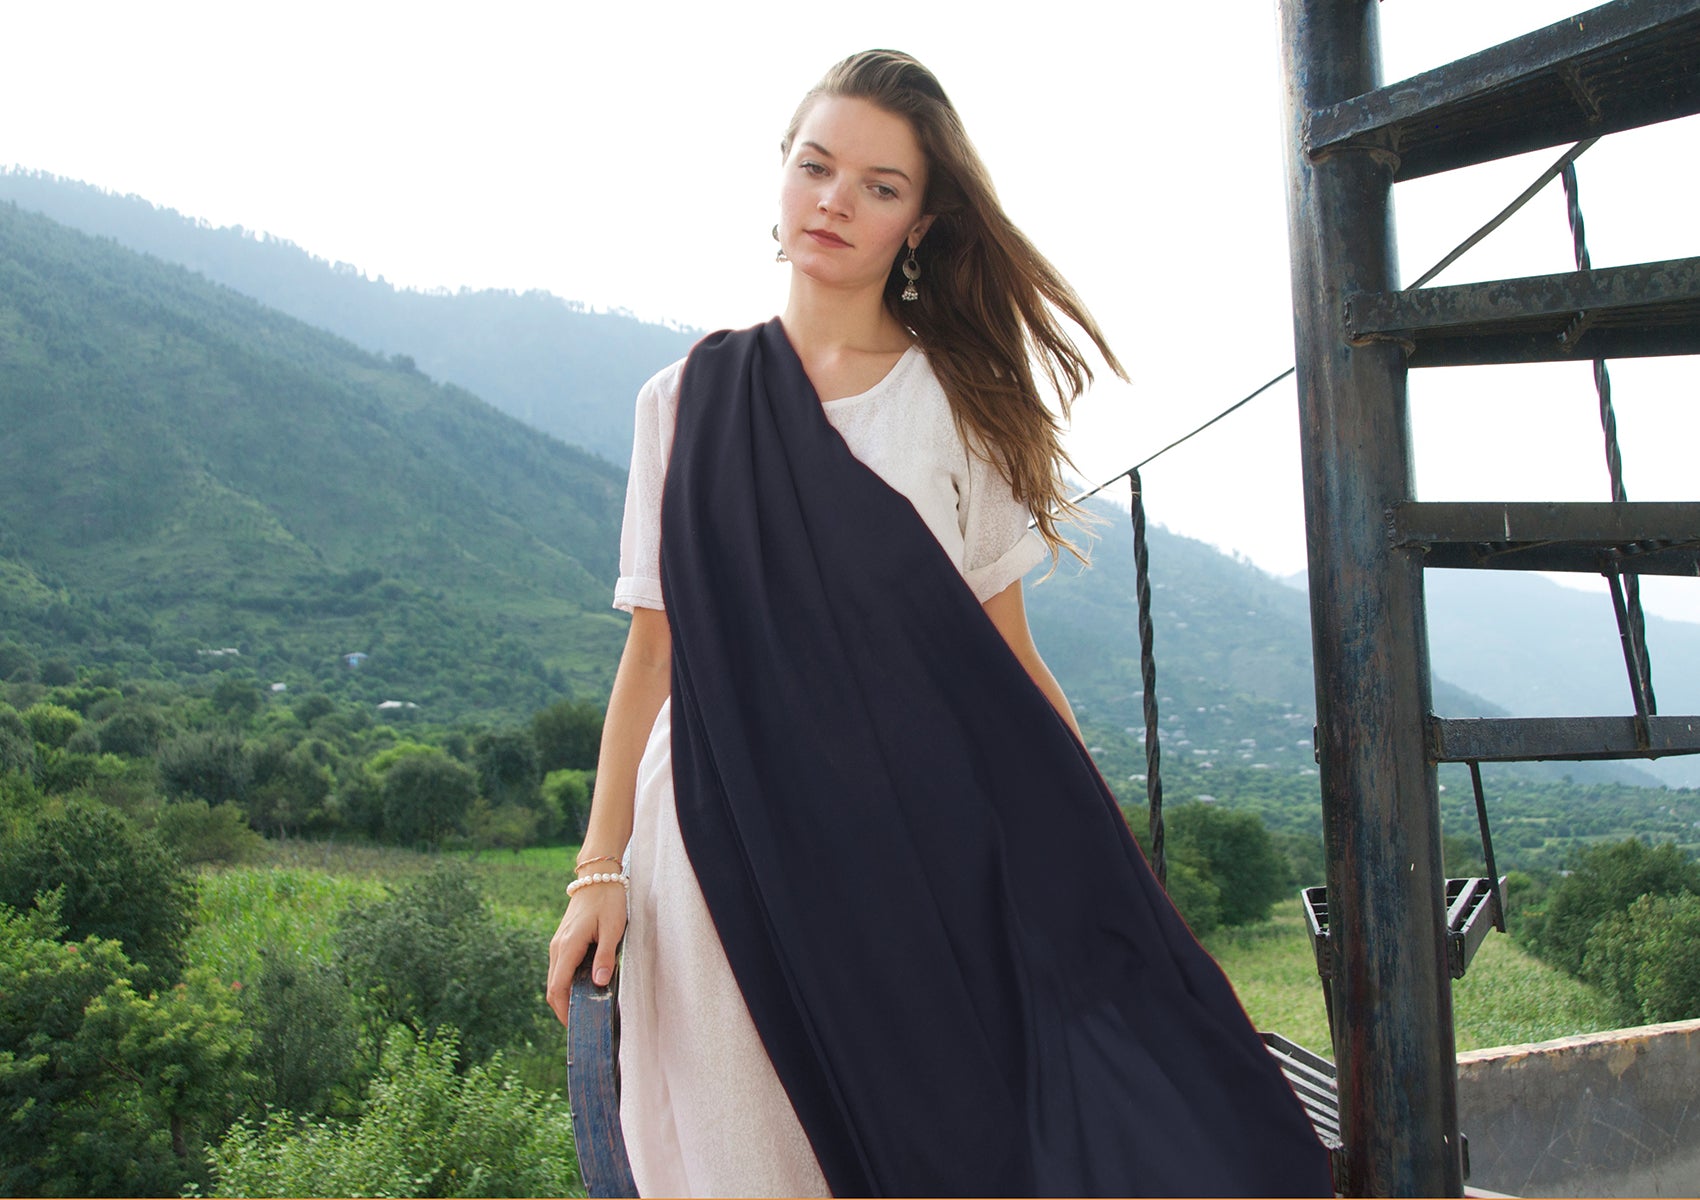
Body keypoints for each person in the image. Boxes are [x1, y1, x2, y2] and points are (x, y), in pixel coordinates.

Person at [546, 49, 1332, 1198]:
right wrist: (596, 866)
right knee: (730, 1152)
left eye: (878, 185)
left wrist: (1103, 855)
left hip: (904, 852)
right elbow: (651, 653)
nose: (835, 201)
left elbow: (1006, 661)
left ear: (918, 222)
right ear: (779, 180)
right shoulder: (681, 400)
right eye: (816, 168)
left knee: (940, 1139)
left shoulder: (952, 401)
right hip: (715, 839)